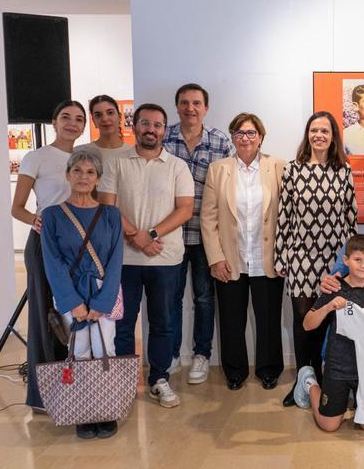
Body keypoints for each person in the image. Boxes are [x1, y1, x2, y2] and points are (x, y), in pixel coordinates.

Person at [99, 103, 194, 409]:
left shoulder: (178, 166)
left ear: (165, 130)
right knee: (124, 324)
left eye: (157, 125)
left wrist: (149, 235)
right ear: (135, 126)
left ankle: (159, 378)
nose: (151, 129)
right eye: (145, 123)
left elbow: (184, 210)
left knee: (163, 322)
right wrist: (136, 237)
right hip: (124, 260)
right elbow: (108, 206)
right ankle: (125, 383)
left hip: (164, 259)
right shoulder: (117, 164)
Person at [275, 111, 358, 407]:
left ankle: (324, 381)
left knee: (326, 320)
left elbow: (350, 220)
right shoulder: (293, 170)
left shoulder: (343, 171)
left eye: (325, 130)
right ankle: (301, 381)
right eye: (314, 130)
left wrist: (349, 260)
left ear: (333, 136)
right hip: (300, 257)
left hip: (334, 258)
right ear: (307, 134)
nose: (319, 135)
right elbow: (284, 216)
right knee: (302, 321)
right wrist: (281, 256)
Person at [40, 150, 123, 439]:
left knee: (105, 351)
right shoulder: (52, 215)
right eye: (78, 170)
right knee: (79, 351)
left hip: (103, 291)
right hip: (70, 293)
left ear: (98, 178)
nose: (83, 177)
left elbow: (115, 260)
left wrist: (102, 302)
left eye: (90, 172)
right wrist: (73, 302)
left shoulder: (111, 214)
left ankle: (105, 409)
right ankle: (84, 411)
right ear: (67, 174)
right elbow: (53, 261)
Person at [200, 112, 286, 391]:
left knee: (269, 319)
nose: (245, 138)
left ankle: (269, 369)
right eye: (239, 133)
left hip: (268, 259)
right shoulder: (218, 169)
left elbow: (287, 216)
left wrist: (283, 255)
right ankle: (234, 371)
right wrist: (215, 257)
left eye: (250, 133)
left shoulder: (279, 167)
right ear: (232, 137)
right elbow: (208, 217)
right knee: (231, 321)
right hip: (230, 259)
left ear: (261, 137)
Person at [11, 100, 86, 412]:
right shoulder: (36, 157)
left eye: (79, 119)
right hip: (45, 244)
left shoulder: (85, 158)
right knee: (46, 317)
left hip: (79, 247)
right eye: (66, 117)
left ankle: (76, 386)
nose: (72, 123)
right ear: (54, 122)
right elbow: (17, 207)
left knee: (77, 317)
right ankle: (45, 396)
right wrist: (35, 220)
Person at [162, 83, 233, 384]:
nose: (190, 108)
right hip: (170, 235)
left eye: (196, 103)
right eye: (184, 103)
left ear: (206, 107)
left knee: (204, 298)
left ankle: (202, 355)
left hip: (206, 237)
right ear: (176, 106)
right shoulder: (164, 139)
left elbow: (230, 187)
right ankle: (173, 353)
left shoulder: (220, 142)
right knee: (171, 298)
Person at [292, 235, 364, 432]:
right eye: (358, 260)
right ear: (346, 260)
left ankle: (352, 397)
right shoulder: (335, 287)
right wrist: (329, 307)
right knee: (329, 425)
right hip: (338, 364)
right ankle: (309, 382)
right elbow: (307, 324)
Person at [76, 95, 134, 167]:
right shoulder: (79, 153)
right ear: (94, 121)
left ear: (119, 117)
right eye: (98, 115)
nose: (105, 119)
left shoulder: (134, 154)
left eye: (110, 113)